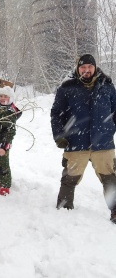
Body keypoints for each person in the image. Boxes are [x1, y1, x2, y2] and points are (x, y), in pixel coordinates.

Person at [51, 53, 116, 224]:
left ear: (95, 68)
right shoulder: (67, 88)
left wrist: (109, 129)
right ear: (78, 68)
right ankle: (64, 210)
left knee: (110, 179)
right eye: (83, 67)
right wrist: (59, 135)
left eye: (89, 67)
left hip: (103, 143)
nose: (86, 70)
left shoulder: (107, 87)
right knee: (69, 179)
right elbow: (56, 114)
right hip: (75, 143)